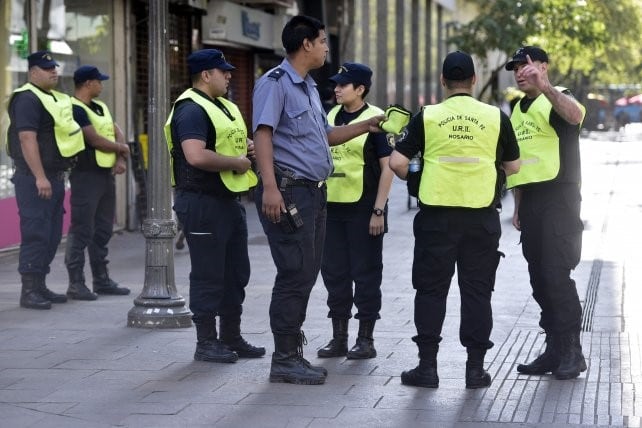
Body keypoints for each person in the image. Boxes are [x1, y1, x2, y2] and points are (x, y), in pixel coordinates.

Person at [252, 15, 384, 385]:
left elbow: (323, 136)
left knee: (307, 274)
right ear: (306, 43)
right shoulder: (274, 84)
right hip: (289, 191)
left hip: (314, 192)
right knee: (294, 273)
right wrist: (270, 188)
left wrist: (364, 126)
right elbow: (262, 135)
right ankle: (284, 358)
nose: (327, 46)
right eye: (323, 40)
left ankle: (292, 353)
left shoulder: (309, 88)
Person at [389, 51, 520, 389]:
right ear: (474, 80)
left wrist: (417, 180)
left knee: (431, 290)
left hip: (436, 219)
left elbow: (396, 163)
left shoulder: (427, 116)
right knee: (477, 292)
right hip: (481, 219)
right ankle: (475, 370)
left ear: (443, 82)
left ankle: (427, 368)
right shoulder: (495, 117)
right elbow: (514, 167)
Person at [165, 49, 264, 364]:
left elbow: (230, 143)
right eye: (223, 71)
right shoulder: (190, 109)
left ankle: (231, 336)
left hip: (229, 200)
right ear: (205, 75)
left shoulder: (226, 106)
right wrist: (236, 162)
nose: (229, 75)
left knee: (236, 272)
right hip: (202, 200)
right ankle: (206, 342)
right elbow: (195, 155)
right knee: (209, 273)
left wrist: (246, 147)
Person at [505, 46, 587, 380]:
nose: (521, 72)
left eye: (526, 66)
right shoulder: (517, 109)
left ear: (543, 66)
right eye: (516, 68)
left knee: (556, 277)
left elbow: (576, 116)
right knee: (539, 280)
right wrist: (518, 206)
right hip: (533, 202)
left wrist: (547, 86)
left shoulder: (556, 99)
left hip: (560, 199)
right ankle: (554, 349)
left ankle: (572, 352)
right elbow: (519, 160)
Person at [317, 62, 394, 360]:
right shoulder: (330, 116)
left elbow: (387, 168)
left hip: (364, 208)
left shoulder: (377, 120)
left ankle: (365, 339)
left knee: (366, 273)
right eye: (335, 84)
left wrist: (379, 210)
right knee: (334, 274)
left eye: (343, 85)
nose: (336, 88)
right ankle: (339, 338)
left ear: (360, 89)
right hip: (331, 208)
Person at [7, 50, 85, 310]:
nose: (54, 71)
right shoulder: (27, 99)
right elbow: (26, 139)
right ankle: (29, 290)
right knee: (36, 233)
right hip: (34, 178)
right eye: (46, 68)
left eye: (54, 67)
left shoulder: (52, 98)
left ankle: (39, 284)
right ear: (32, 72)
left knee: (51, 235)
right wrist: (40, 177)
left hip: (53, 176)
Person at [64, 65, 131, 300]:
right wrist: (122, 148)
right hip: (85, 175)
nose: (102, 85)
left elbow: (116, 130)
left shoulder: (100, 107)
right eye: (98, 81)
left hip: (105, 175)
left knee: (102, 229)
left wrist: (121, 156)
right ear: (87, 83)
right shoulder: (75, 109)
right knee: (82, 229)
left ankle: (101, 280)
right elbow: (94, 139)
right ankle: (76, 283)